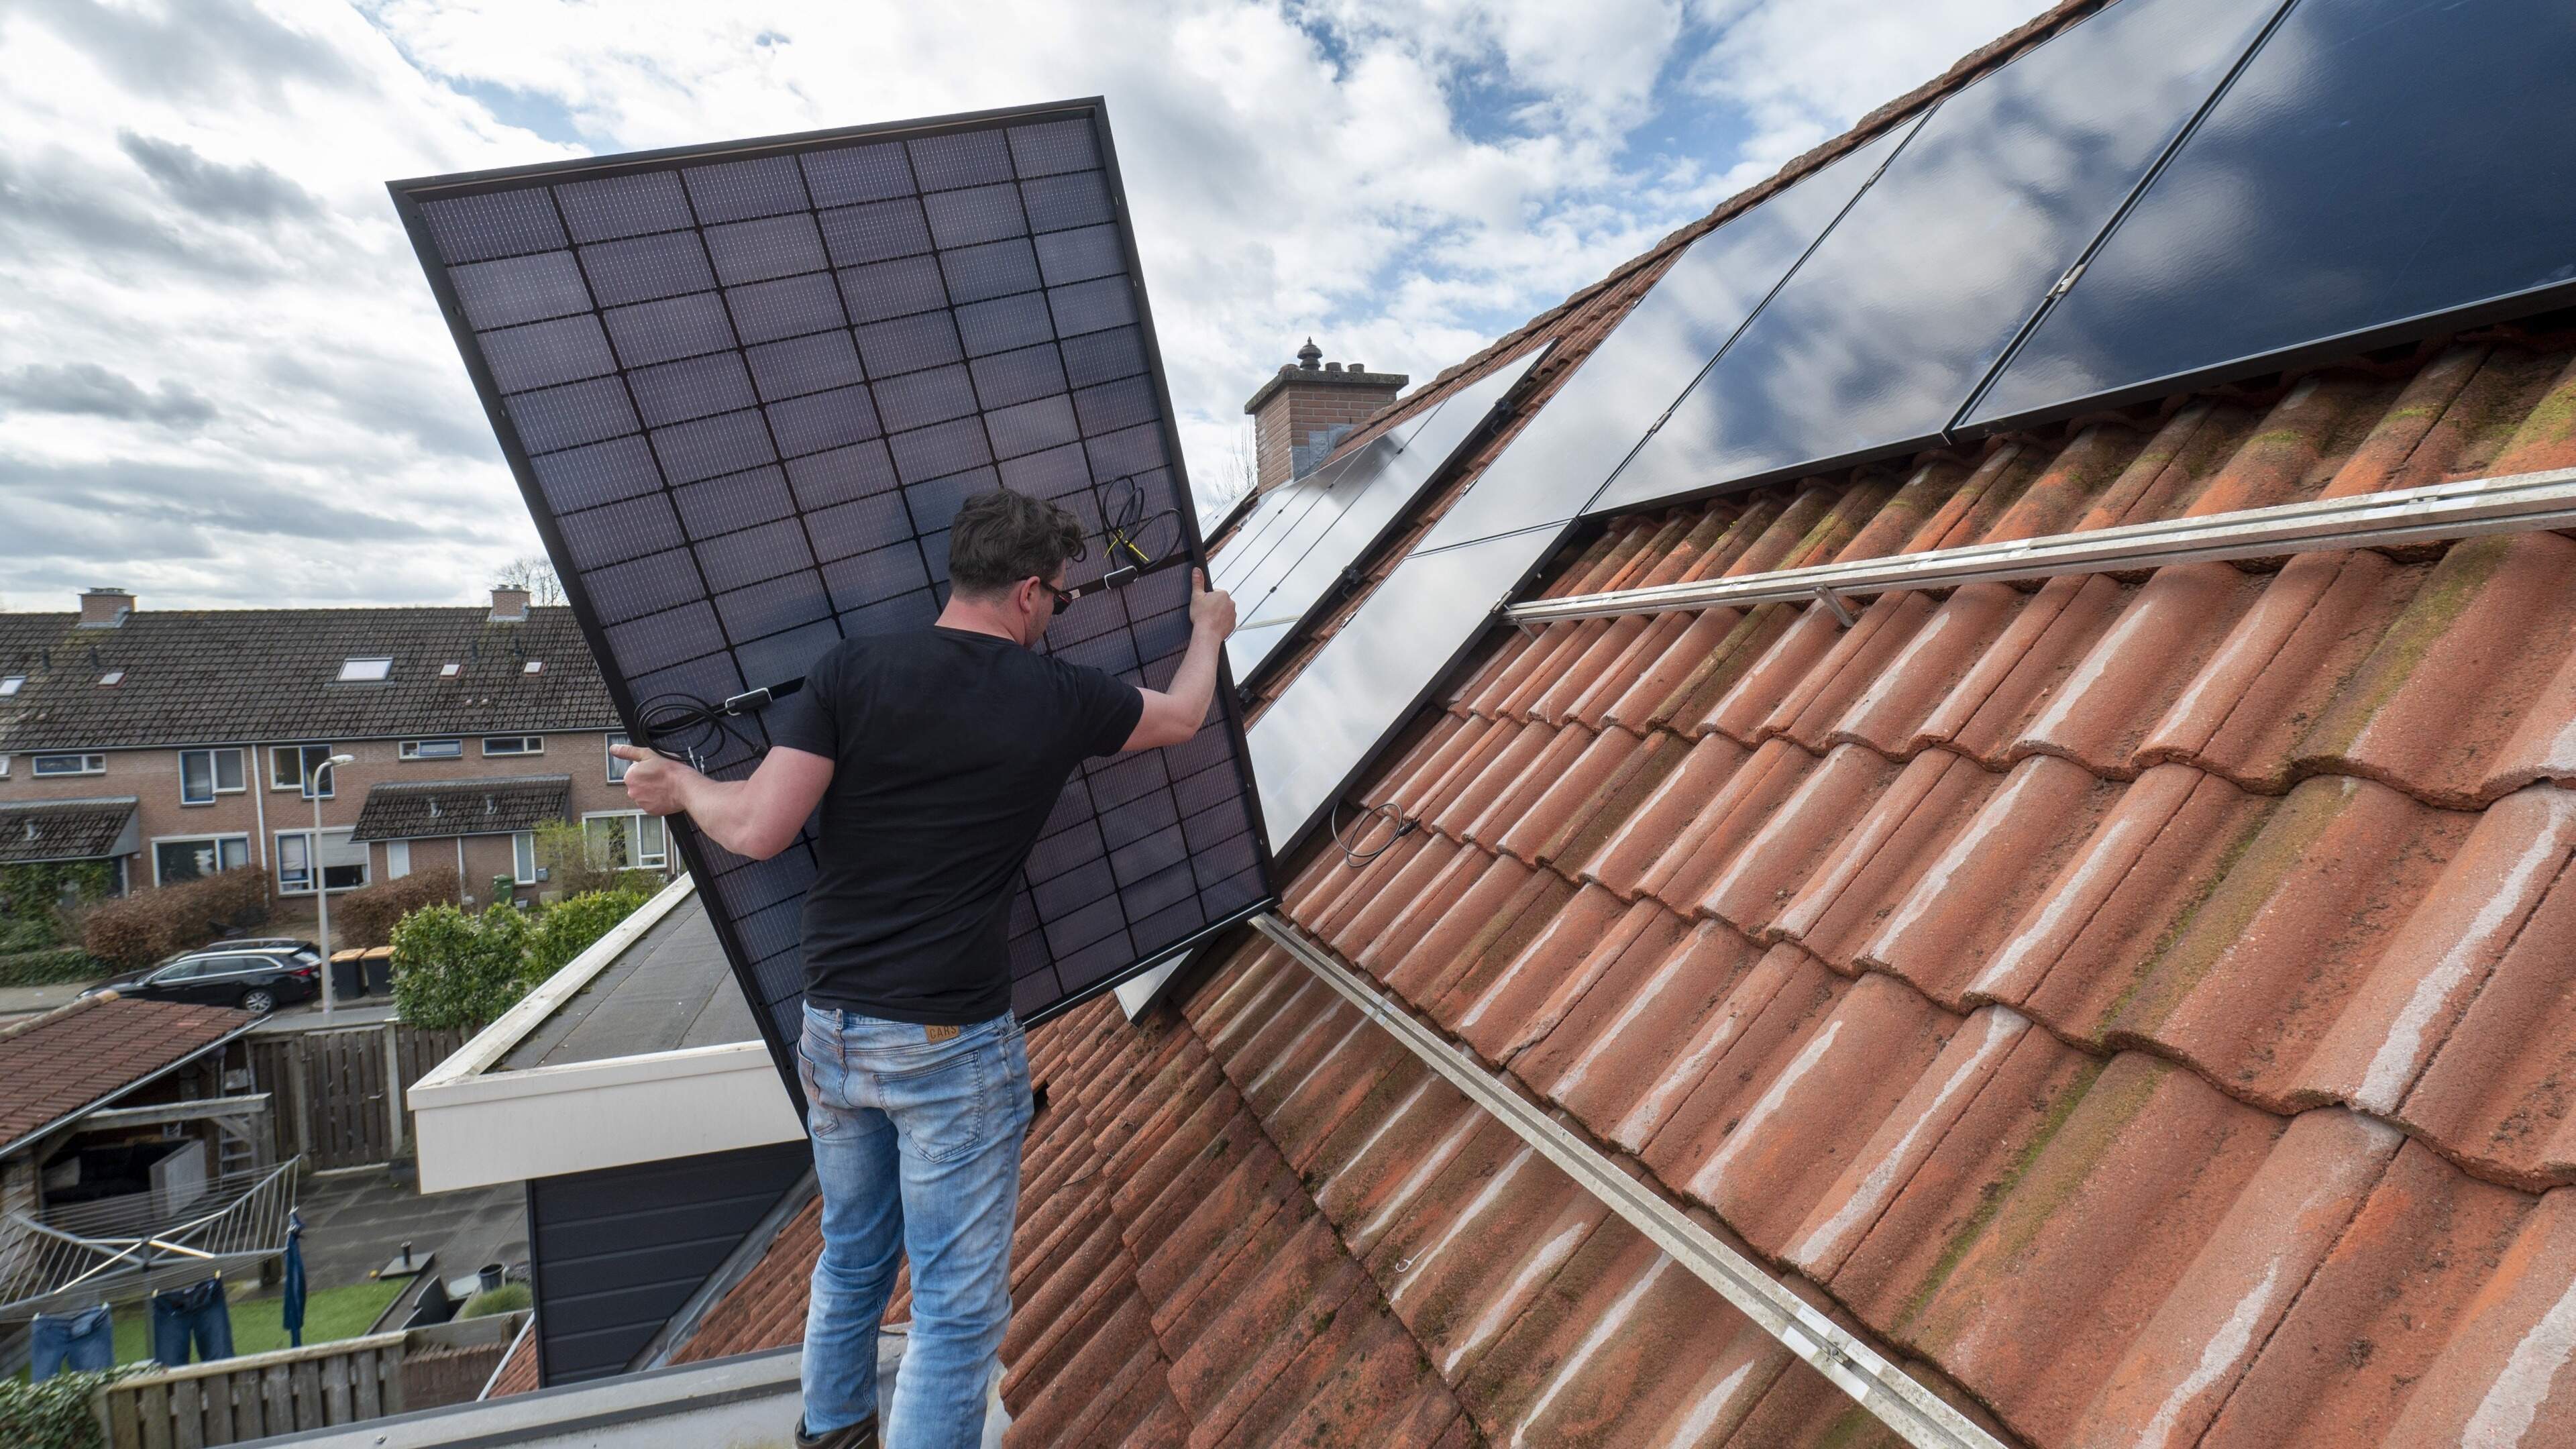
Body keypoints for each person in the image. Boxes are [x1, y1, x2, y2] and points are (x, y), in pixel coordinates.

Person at [611, 487, 1235, 1449]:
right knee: (955, 1309)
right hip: (950, 1043)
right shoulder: (1058, 696)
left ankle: (831, 1436)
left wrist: (682, 782)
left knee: (851, 1260)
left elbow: (761, 828)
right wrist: (1209, 627)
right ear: (1029, 593)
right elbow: (1187, 717)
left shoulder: (853, 670)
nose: (1059, 616)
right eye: (1062, 602)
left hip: (835, 1034)